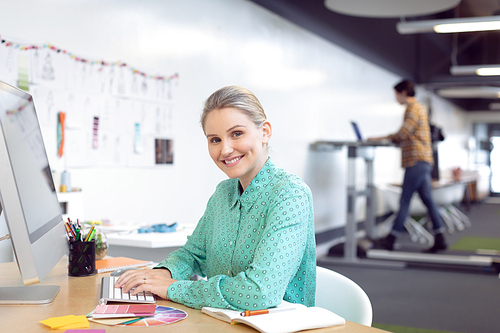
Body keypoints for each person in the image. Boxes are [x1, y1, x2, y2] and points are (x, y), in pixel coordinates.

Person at [115, 85, 316, 310]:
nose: (225, 149)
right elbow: (193, 254)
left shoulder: (290, 194)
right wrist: (161, 274)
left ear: (265, 132)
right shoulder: (223, 193)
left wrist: (171, 288)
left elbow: (260, 293)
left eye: (236, 134)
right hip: (221, 322)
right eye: (215, 139)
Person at [369, 79, 447, 253]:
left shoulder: (413, 108)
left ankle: (391, 239)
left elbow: (404, 132)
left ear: (404, 93)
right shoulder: (420, 108)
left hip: (416, 161)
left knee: (404, 200)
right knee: (428, 200)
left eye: (396, 94)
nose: (396, 98)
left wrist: (379, 138)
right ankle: (440, 237)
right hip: (424, 160)